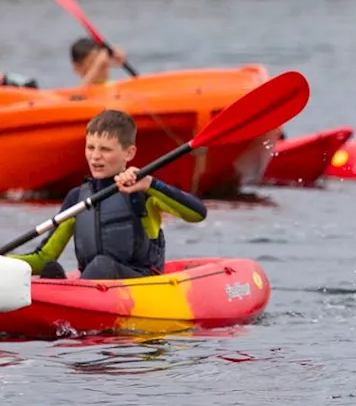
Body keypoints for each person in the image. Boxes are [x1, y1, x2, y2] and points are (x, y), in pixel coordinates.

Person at [7, 110, 207, 280]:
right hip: (93, 286)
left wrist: (150, 184)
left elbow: (197, 214)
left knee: (102, 265)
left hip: (140, 283)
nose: (95, 156)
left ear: (128, 153)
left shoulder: (142, 193)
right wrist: (5, 262)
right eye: (90, 147)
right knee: (51, 269)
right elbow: (42, 258)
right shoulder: (77, 198)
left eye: (105, 149)